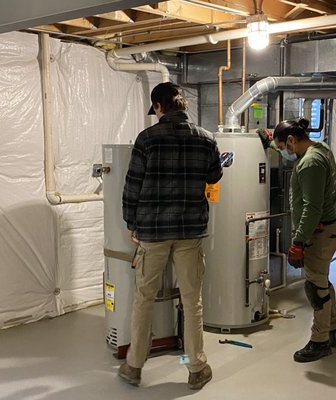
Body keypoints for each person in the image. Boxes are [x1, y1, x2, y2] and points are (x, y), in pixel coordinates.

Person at [120, 82, 222, 389]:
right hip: (190, 231)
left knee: (144, 299)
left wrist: (130, 222)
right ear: (183, 105)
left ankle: (134, 366)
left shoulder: (146, 139)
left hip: (152, 232)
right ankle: (197, 368)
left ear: (160, 107)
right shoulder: (206, 138)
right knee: (192, 301)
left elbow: (132, 185)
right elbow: (215, 176)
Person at [258, 119, 336, 362]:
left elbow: (312, 208)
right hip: (329, 229)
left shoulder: (310, 164)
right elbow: (290, 152)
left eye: (284, 146)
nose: (284, 151)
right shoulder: (320, 148)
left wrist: (298, 241)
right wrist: (272, 143)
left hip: (320, 232)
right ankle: (333, 331)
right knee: (322, 282)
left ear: (293, 141)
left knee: (315, 288)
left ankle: (320, 341)